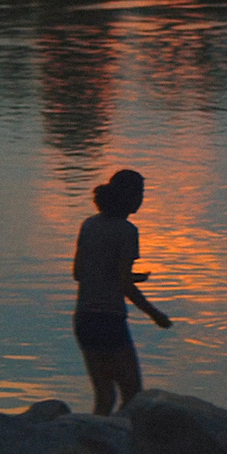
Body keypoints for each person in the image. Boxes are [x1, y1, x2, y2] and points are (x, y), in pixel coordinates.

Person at [72, 169, 171, 415]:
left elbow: (80, 273)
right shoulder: (127, 231)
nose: (142, 199)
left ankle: (95, 435)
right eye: (140, 193)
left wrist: (129, 276)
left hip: (84, 318)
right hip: (109, 320)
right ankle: (123, 436)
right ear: (129, 196)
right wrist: (156, 315)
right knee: (132, 395)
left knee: (105, 397)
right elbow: (124, 285)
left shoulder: (89, 224)